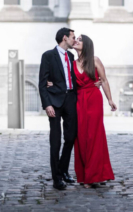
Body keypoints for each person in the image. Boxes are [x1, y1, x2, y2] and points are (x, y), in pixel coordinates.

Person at [47, 34, 116, 188]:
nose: (76, 41)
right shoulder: (71, 63)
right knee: (81, 137)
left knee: (95, 136)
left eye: (79, 39)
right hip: (77, 101)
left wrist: (110, 100)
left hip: (93, 100)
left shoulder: (95, 60)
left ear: (87, 45)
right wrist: (49, 82)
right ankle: (85, 176)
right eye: (75, 39)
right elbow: (61, 78)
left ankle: (95, 175)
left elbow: (103, 80)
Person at [38, 28, 100, 190]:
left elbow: (80, 77)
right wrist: (47, 104)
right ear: (65, 38)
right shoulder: (48, 56)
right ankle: (56, 177)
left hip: (71, 101)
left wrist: (96, 82)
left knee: (71, 137)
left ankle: (64, 170)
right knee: (55, 140)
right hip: (54, 103)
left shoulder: (71, 57)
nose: (75, 40)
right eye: (73, 37)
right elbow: (42, 82)